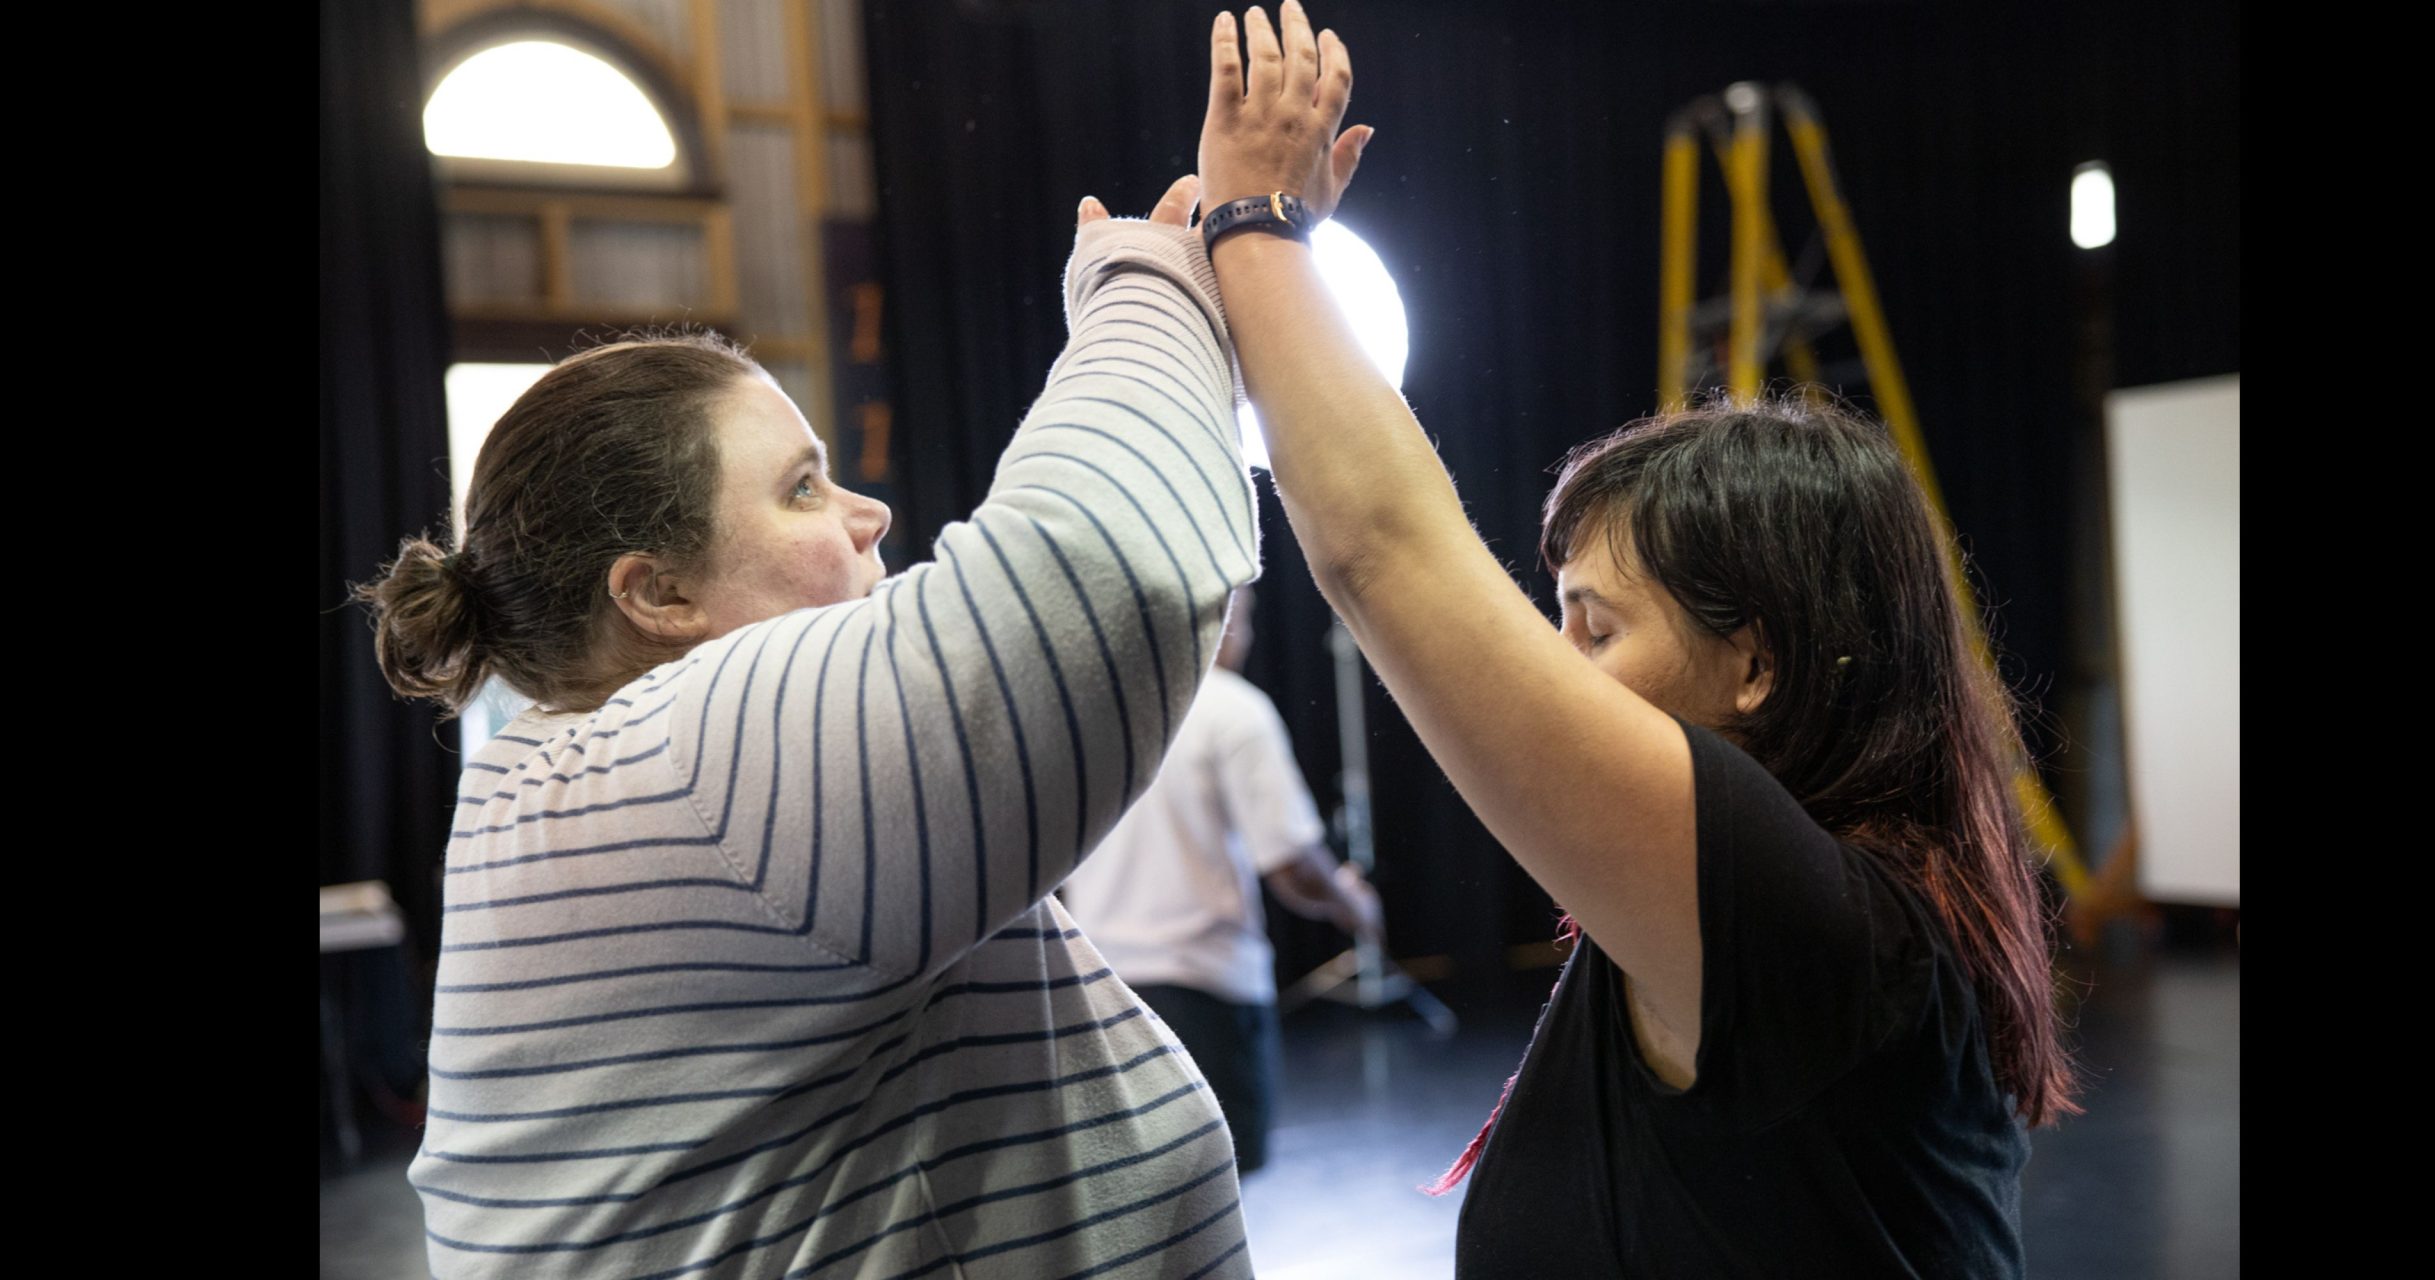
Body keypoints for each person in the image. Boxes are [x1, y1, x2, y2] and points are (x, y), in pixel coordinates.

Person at [1185, 5, 2074, 1274]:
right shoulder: (1776, 923)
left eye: (1593, 630)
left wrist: (1256, 232)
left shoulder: (1809, 927)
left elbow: (1383, 550)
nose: (1551, 670)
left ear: (1757, 662)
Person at [355, 164, 1330, 1276]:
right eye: (804, 487)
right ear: (657, 594)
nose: (870, 512)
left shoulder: (573, 767)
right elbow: (1105, 573)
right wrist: (1161, 270)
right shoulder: (683, 758)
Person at [1061, 583, 1383, 1173]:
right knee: (1220, 1189)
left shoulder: (1091, 710)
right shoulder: (1231, 708)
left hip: (1100, 994)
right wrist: (1352, 904)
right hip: (1202, 991)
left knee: (1140, 1193)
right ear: (1225, 618)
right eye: (1249, 619)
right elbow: (1292, 867)